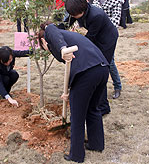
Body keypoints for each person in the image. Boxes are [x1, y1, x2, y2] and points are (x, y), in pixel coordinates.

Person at [38, 23, 109, 163]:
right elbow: (73, 66)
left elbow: (50, 28)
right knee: (93, 108)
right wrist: (70, 91)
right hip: (101, 68)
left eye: (43, 46)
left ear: (42, 41)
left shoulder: (52, 34)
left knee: (77, 115)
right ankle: (96, 144)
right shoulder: (67, 38)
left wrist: (62, 48)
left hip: (88, 72)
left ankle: (76, 155)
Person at [65, 0, 118, 115]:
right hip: (95, 37)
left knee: (102, 67)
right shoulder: (77, 9)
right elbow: (68, 21)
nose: (73, 16)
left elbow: (89, 39)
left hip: (106, 40)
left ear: (83, 9)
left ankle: (103, 106)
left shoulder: (96, 15)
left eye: (75, 15)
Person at [92, 0, 123, 103]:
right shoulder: (96, 0)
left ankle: (117, 86)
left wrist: (101, 27)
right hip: (97, 35)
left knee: (109, 61)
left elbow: (116, 20)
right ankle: (101, 87)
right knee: (99, 60)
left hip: (109, 36)